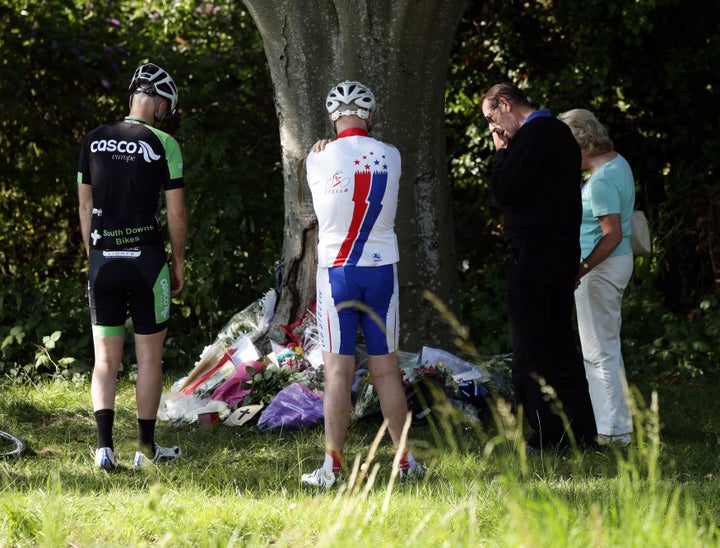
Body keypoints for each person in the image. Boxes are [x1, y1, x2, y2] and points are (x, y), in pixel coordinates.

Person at [301, 80, 424, 488]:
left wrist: (321, 148)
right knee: (386, 370)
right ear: (370, 116)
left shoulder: (316, 159)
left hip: (337, 269)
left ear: (333, 117)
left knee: (338, 372)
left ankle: (332, 468)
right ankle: (404, 462)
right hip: (381, 267)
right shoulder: (392, 154)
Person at [77, 62, 187, 468]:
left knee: (104, 360)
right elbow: (175, 214)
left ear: (131, 97)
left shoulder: (94, 139)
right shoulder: (164, 143)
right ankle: (144, 449)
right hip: (147, 263)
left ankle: (104, 449)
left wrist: (95, 253)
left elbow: (85, 205)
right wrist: (178, 262)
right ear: (159, 105)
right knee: (148, 361)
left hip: (103, 260)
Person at [481, 82, 597, 452]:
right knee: (562, 346)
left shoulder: (533, 135)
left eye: (491, 118)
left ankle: (546, 436)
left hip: (533, 254)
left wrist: (501, 151)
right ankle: (580, 434)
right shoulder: (562, 134)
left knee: (531, 349)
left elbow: (504, 190)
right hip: (563, 251)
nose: (493, 128)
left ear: (505, 104)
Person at [558, 109, 635, 445]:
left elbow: (612, 235)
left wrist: (582, 268)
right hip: (614, 264)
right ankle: (617, 426)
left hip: (601, 268)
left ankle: (612, 432)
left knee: (598, 350)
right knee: (607, 345)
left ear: (582, 143)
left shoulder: (601, 180)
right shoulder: (618, 162)